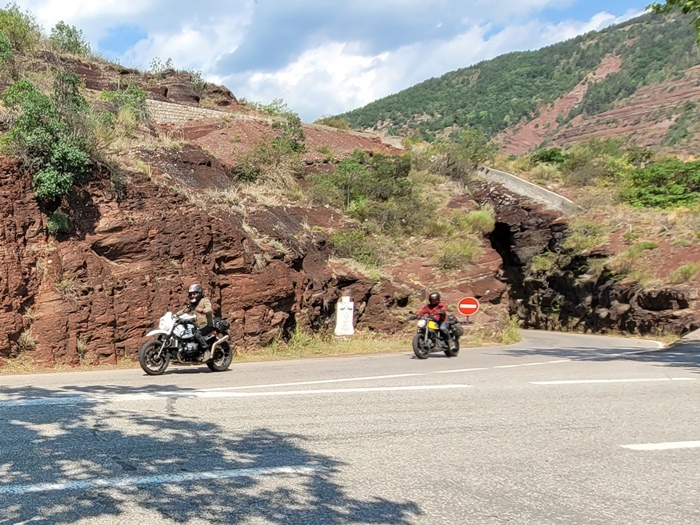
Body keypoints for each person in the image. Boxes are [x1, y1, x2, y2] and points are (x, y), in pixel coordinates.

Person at [177, 283, 214, 361]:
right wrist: (175, 315)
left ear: (200, 293)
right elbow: (184, 310)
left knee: (197, 334)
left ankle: (206, 351)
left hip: (208, 325)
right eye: (190, 294)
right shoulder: (192, 305)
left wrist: (203, 310)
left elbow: (209, 308)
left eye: (194, 293)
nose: (192, 296)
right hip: (199, 326)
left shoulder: (204, 301)